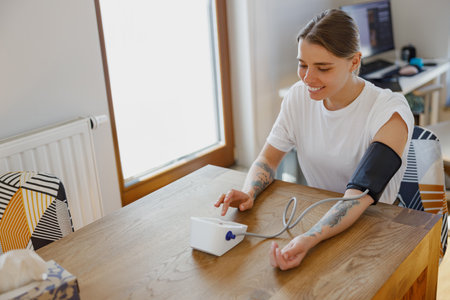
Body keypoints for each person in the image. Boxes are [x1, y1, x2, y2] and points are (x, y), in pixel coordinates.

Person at [214, 8, 414, 271]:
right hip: (319, 220)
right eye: (302, 64)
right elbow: (268, 159)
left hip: (374, 226)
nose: (308, 78)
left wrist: (309, 239)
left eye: (323, 68)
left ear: (354, 62)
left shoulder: (390, 112)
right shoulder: (299, 97)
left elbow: (359, 193)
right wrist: (249, 191)